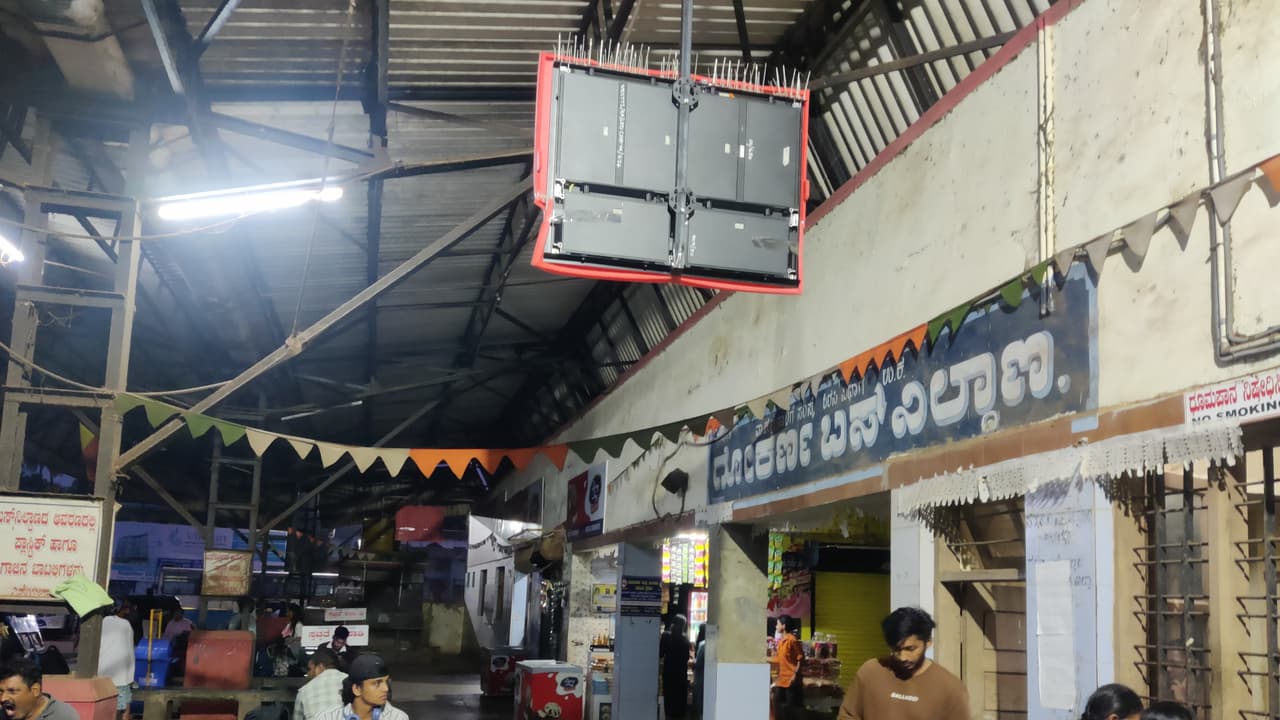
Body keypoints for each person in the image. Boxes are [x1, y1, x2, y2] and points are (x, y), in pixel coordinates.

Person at [837, 607, 968, 720]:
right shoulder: (870, 673)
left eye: (910, 649)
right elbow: (848, 716)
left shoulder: (950, 688)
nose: (902, 657)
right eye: (896, 649)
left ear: (928, 642)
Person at [312, 655, 407, 720]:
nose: (386, 689)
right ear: (357, 689)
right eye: (377, 683)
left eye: (386, 682)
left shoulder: (397, 717)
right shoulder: (327, 717)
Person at [0, 659, 80, 720]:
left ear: (35, 690)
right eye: (1, 691)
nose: (3, 698)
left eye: (12, 691)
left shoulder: (62, 716)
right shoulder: (3, 714)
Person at [98, 604, 137, 720]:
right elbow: (129, 649)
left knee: (107, 707)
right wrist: (131, 676)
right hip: (122, 675)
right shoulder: (125, 624)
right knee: (124, 706)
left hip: (102, 674)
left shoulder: (100, 623)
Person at [294, 648, 347, 720]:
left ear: (320, 667)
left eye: (309, 669)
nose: (308, 674)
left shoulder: (304, 691)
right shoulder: (351, 681)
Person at [660, 615, 691, 720]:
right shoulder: (685, 639)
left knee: (669, 699)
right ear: (683, 626)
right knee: (679, 701)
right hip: (681, 675)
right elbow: (687, 657)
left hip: (669, 674)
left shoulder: (666, 636)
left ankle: (668, 716)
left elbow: (660, 653)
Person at [772, 615, 804, 717]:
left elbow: (800, 658)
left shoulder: (792, 640)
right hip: (782, 679)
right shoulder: (782, 641)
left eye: (777, 624)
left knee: (790, 710)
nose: (776, 626)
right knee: (777, 705)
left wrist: (795, 674)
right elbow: (779, 658)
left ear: (784, 626)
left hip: (791, 680)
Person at [691, 625, 707, 718]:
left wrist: (693, 663)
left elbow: (698, 664)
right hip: (706, 677)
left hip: (700, 677)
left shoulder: (702, 645)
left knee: (700, 701)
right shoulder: (709, 644)